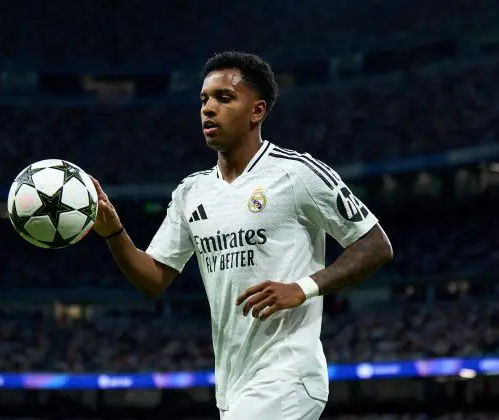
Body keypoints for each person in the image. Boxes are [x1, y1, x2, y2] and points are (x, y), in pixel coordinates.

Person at [89, 51, 393, 420]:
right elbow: (153, 278)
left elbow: (375, 244)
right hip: (232, 384)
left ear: (257, 111)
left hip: (288, 375)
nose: (208, 109)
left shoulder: (297, 174)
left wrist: (303, 288)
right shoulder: (191, 192)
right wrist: (114, 232)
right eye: (203, 100)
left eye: (224, 98)